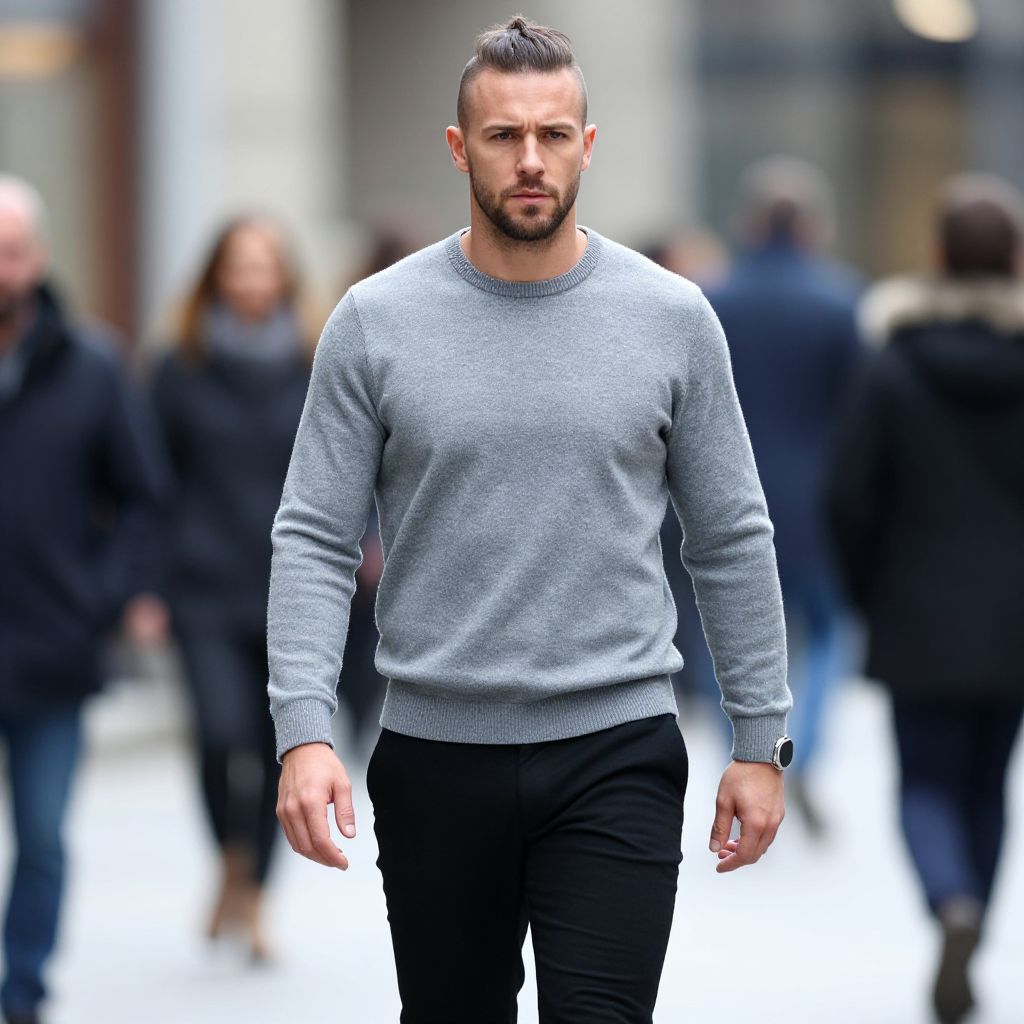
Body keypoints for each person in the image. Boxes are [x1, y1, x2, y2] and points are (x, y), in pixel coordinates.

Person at [269, 18, 793, 1022]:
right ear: (460, 148)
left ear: (586, 145)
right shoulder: (374, 322)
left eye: (554, 135)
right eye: (504, 136)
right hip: (433, 752)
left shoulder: (671, 317)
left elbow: (729, 534)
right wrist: (302, 731)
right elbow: (314, 534)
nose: (530, 159)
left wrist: (758, 740)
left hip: (616, 746)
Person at [826, 173, 1024, 1024]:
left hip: (915, 607)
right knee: (989, 782)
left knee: (926, 782)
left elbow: (847, 496)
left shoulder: (894, 365)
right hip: (1016, 618)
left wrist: (869, 588)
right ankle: (972, 909)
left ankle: (949, 901)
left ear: (938, 254)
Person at [0, 175, 166, 1024]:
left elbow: (142, 493)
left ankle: (20, 992)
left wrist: (107, 595)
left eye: (14, 251)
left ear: (41, 257)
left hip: (51, 645)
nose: (3, 270)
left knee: (41, 837)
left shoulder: (93, 366)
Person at [148, 215, 315, 963]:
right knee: (221, 738)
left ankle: (253, 897)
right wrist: (147, 585)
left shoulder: (318, 361)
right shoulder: (177, 367)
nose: (252, 280)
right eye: (238, 267)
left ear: (285, 277)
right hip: (202, 585)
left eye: (265, 266)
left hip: (296, 588)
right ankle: (232, 859)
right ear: (215, 277)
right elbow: (149, 483)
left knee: (285, 748)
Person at [706, 157, 863, 835]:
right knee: (828, 631)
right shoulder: (842, 303)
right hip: (817, 502)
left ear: (748, 223)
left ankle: (747, 753)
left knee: (727, 634)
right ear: (814, 228)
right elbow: (859, 416)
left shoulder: (712, 300)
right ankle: (805, 752)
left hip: (725, 498)